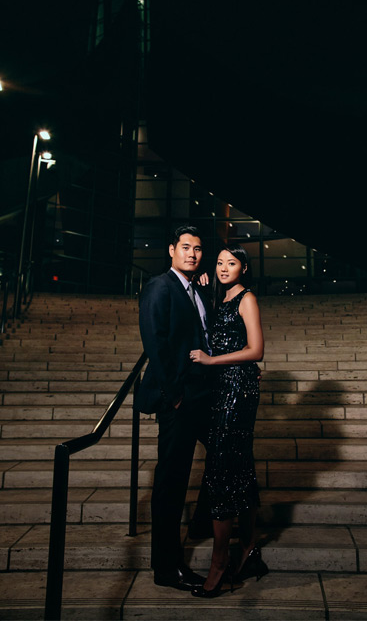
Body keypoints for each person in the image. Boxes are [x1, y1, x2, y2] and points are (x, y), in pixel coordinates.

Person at [137, 225, 214, 591]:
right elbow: (156, 342)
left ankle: (203, 521)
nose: (192, 254)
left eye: (198, 249)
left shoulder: (196, 290)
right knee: (171, 482)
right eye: (186, 247)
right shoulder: (160, 286)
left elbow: (201, 334)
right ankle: (167, 569)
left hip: (202, 394)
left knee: (228, 451)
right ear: (171, 250)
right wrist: (175, 394)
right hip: (179, 398)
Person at [188, 244, 266, 597]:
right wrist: (201, 284)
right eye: (219, 262)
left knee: (219, 470)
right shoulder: (218, 298)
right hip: (222, 388)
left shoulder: (246, 299)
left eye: (230, 263)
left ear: (244, 268)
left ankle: (220, 564)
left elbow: (256, 350)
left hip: (237, 390)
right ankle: (250, 546)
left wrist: (209, 360)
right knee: (238, 464)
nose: (222, 268)